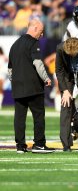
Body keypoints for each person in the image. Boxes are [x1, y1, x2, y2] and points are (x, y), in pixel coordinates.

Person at [7, 18, 55, 154]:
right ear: (34, 28)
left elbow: (10, 70)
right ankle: (39, 144)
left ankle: (20, 146)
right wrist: (46, 78)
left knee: (19, 117)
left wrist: (15, 82)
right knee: (38, 115)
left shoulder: (14, 45)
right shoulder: (33, 43)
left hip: (17, 87)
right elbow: (38, 63)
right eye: (40, 31)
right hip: (33, 87)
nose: (42, 35)